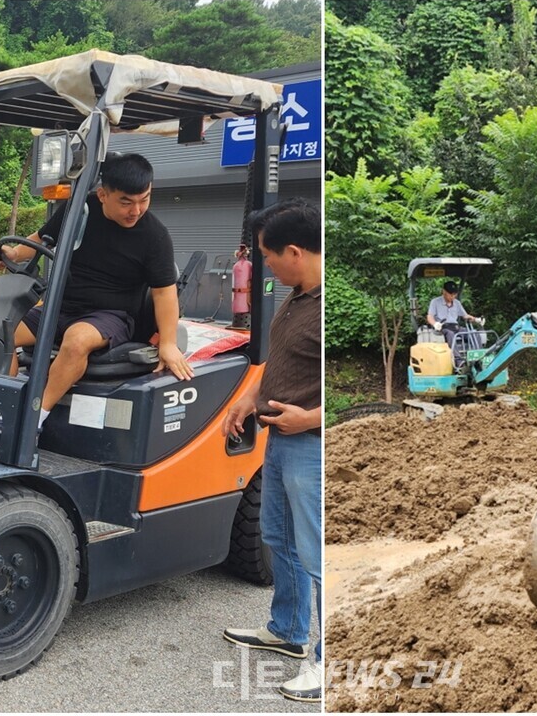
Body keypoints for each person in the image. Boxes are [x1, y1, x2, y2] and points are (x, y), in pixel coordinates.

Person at [0, 153, 194, 429]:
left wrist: (169, 344)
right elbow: (43, 240)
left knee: (76, 340)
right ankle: (4, 409)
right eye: (126, 202)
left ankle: (33, 419)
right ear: (102, 195)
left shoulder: (154, 237)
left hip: (111, 316)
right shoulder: (80, 212)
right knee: (2, 335)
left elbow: (164, 293)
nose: (136, 210)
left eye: (144, 200)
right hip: (61, 307)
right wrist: (14, 253)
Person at [220, 198, 322, 703]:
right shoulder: (298, 296)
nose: (264, 265)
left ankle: (330, 662)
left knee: (317, 552)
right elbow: (281, 361)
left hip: (311, 445)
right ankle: (288, 630)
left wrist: (312, 418)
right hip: (280, 440)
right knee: (278, 536)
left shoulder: (326, 303)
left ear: (296, 252)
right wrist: (249, 398)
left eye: (268, 255)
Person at [426, 280, 483, 358]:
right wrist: (435, 324)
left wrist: (476, 319)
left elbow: (465, 316)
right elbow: (430, 316)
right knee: (450, 334)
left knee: (474, 333)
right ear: (444, 292)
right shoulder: (435, 302)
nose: (453, 297)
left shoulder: (457, 303)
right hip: (443, 327)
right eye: (451, 294)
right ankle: (458, 360)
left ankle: (479, 357)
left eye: (454, 294)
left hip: (455, 327)